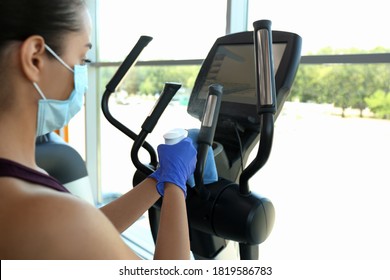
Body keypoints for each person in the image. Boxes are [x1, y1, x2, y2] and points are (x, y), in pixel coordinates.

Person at [0, 0, 197, 260]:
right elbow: (74, 227)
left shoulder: (26, 197)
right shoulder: (47, 214)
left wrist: (159, 179)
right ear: (35, 58)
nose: (82, 74)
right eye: (82, 59)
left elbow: (84, 235)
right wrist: (175, 186)